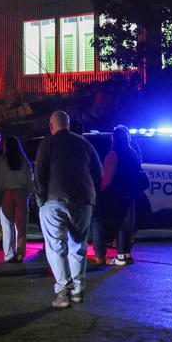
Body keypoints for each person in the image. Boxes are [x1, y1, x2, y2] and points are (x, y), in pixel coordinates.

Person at [34, 111, 101, 308]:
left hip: (54, 200)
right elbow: (98, 172)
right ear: (68, 125)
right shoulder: (84, 143)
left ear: (51, 125)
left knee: (56, 246)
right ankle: (78, 291)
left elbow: (39, 175)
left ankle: (63, 292)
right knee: (78, 246)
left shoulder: (47, 143)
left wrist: (40, 200)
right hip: (83, 201)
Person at [98, 126, 141, 266]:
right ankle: (127, 254)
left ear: (114, 138)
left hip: (117, 193)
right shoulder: (132, 152)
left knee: (119, 224)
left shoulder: (113, 153)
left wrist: (102, 187)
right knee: (128, 224)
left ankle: (121, 256)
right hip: (131, 192)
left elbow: (108, 176)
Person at [0, 136, 34, 263]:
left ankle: (8, 254)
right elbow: (30, 179)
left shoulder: (1, 161)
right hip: (21, 194)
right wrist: (28, 192)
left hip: (6, 193)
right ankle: (20, 253)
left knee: (7, 225)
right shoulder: (24, 162)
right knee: (21, 226)